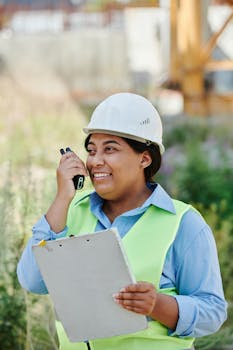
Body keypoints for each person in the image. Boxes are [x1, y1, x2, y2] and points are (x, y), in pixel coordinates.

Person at [17, 92, 227, 350]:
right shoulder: (70, 212)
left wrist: (158, 305)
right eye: (91, 150)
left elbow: (213, 312)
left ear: (144, 158)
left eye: (110, 149)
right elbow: (32, 281)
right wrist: (62, 198)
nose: (95, 161)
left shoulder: (184, 224)